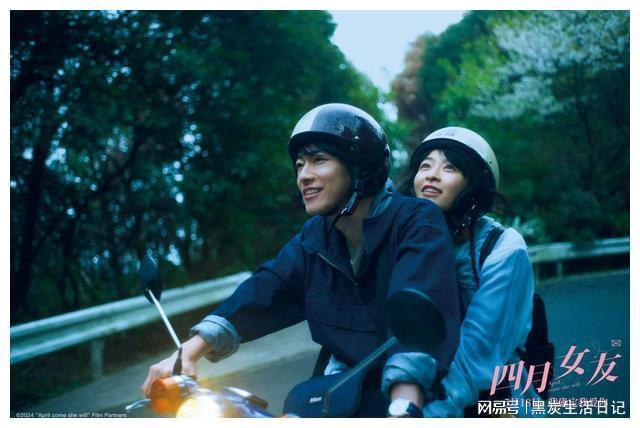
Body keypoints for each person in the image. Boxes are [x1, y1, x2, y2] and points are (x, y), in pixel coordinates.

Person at [141, 104, 461, 417]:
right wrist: (188, 350)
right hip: (338, 391)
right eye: (299, 165)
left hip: (410, 396)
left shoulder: (416, 220)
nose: (304, 176)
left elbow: (419, 306)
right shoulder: (315, 237)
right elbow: (266, 288)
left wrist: (405, 404)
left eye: (318, 160)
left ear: (360, 166)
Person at [397, 126, 535, 417]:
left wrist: (419, 413)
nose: (432, 175)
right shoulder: (403, 242)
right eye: (425, 166)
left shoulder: (504, 248)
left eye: (450, 167)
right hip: (420, 391)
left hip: (493, 402)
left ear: (474, 185)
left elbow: (478, 357)